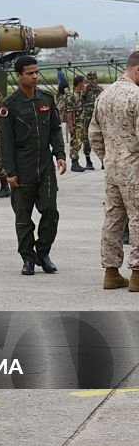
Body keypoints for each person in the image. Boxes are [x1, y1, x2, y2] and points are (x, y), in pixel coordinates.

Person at [0, 56, 67, 276]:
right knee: (23, 217)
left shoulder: (46, 99)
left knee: (50, 211)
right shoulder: (9, 106)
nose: (35, 76)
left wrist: (60, 154)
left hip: (45, 166)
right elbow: (6, 141)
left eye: (36, 72)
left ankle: (43, 252)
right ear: (19, 76)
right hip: (22, 168)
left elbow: (55, 130)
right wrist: (10, 172)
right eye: (29, 73)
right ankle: (28, 258)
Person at [89, 51, 139, 291]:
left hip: (113, 170)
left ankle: (111, 272)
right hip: (135, 169)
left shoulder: (104, 95)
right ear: (137, 70)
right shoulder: (136, 96)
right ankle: (138, 273)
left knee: (113, 219)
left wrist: (108, 158)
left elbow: (94, 135)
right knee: (138, 219)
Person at [80, 72, 102, 170]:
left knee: (101, 138)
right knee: (86, 139)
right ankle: (88, 160)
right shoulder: (85, 91)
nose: (91, 81)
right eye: (90, 79)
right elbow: (80, 102)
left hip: (98, 118)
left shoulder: (100, 90)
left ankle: (103, 160)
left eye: (93, 79)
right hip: (87, 118)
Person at [65, 75, 87, 172]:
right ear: (79, 83)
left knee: (79, 142)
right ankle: (74, 163)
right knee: (75, 142)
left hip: (80, 124)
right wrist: (70, 126)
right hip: (75, 124)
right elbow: (69, 111)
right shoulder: (71, 95)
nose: (84, 85)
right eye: (83, 83)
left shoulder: (80, 94)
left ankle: (76, 162)